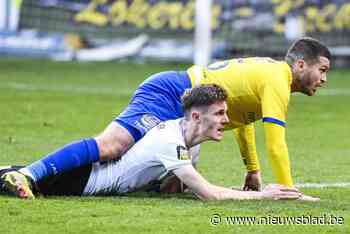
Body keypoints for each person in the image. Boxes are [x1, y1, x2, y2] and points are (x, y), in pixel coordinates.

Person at [1, 37, 331, 198]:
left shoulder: (269, 78)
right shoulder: (278, 79)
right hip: (174, 93)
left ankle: (9, 172)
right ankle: (28, 174)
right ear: (301, 65)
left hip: (191, 113)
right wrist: (289, 190)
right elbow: (277, 142)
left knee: (172, 188)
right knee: (113, 146)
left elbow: (242, 120)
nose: (324, 78)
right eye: (322, 69)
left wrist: (252, 170)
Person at [0, 85, 303, 201]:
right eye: (220, 113)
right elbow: (209, 195)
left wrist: (237, 192)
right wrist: (265, 197)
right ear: (196, 116)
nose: (227, 120)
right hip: (81, 181)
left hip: (91, 178)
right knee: (15, 182)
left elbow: (177, 187)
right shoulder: (170, 140)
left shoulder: (190, 143)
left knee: (10, 174)